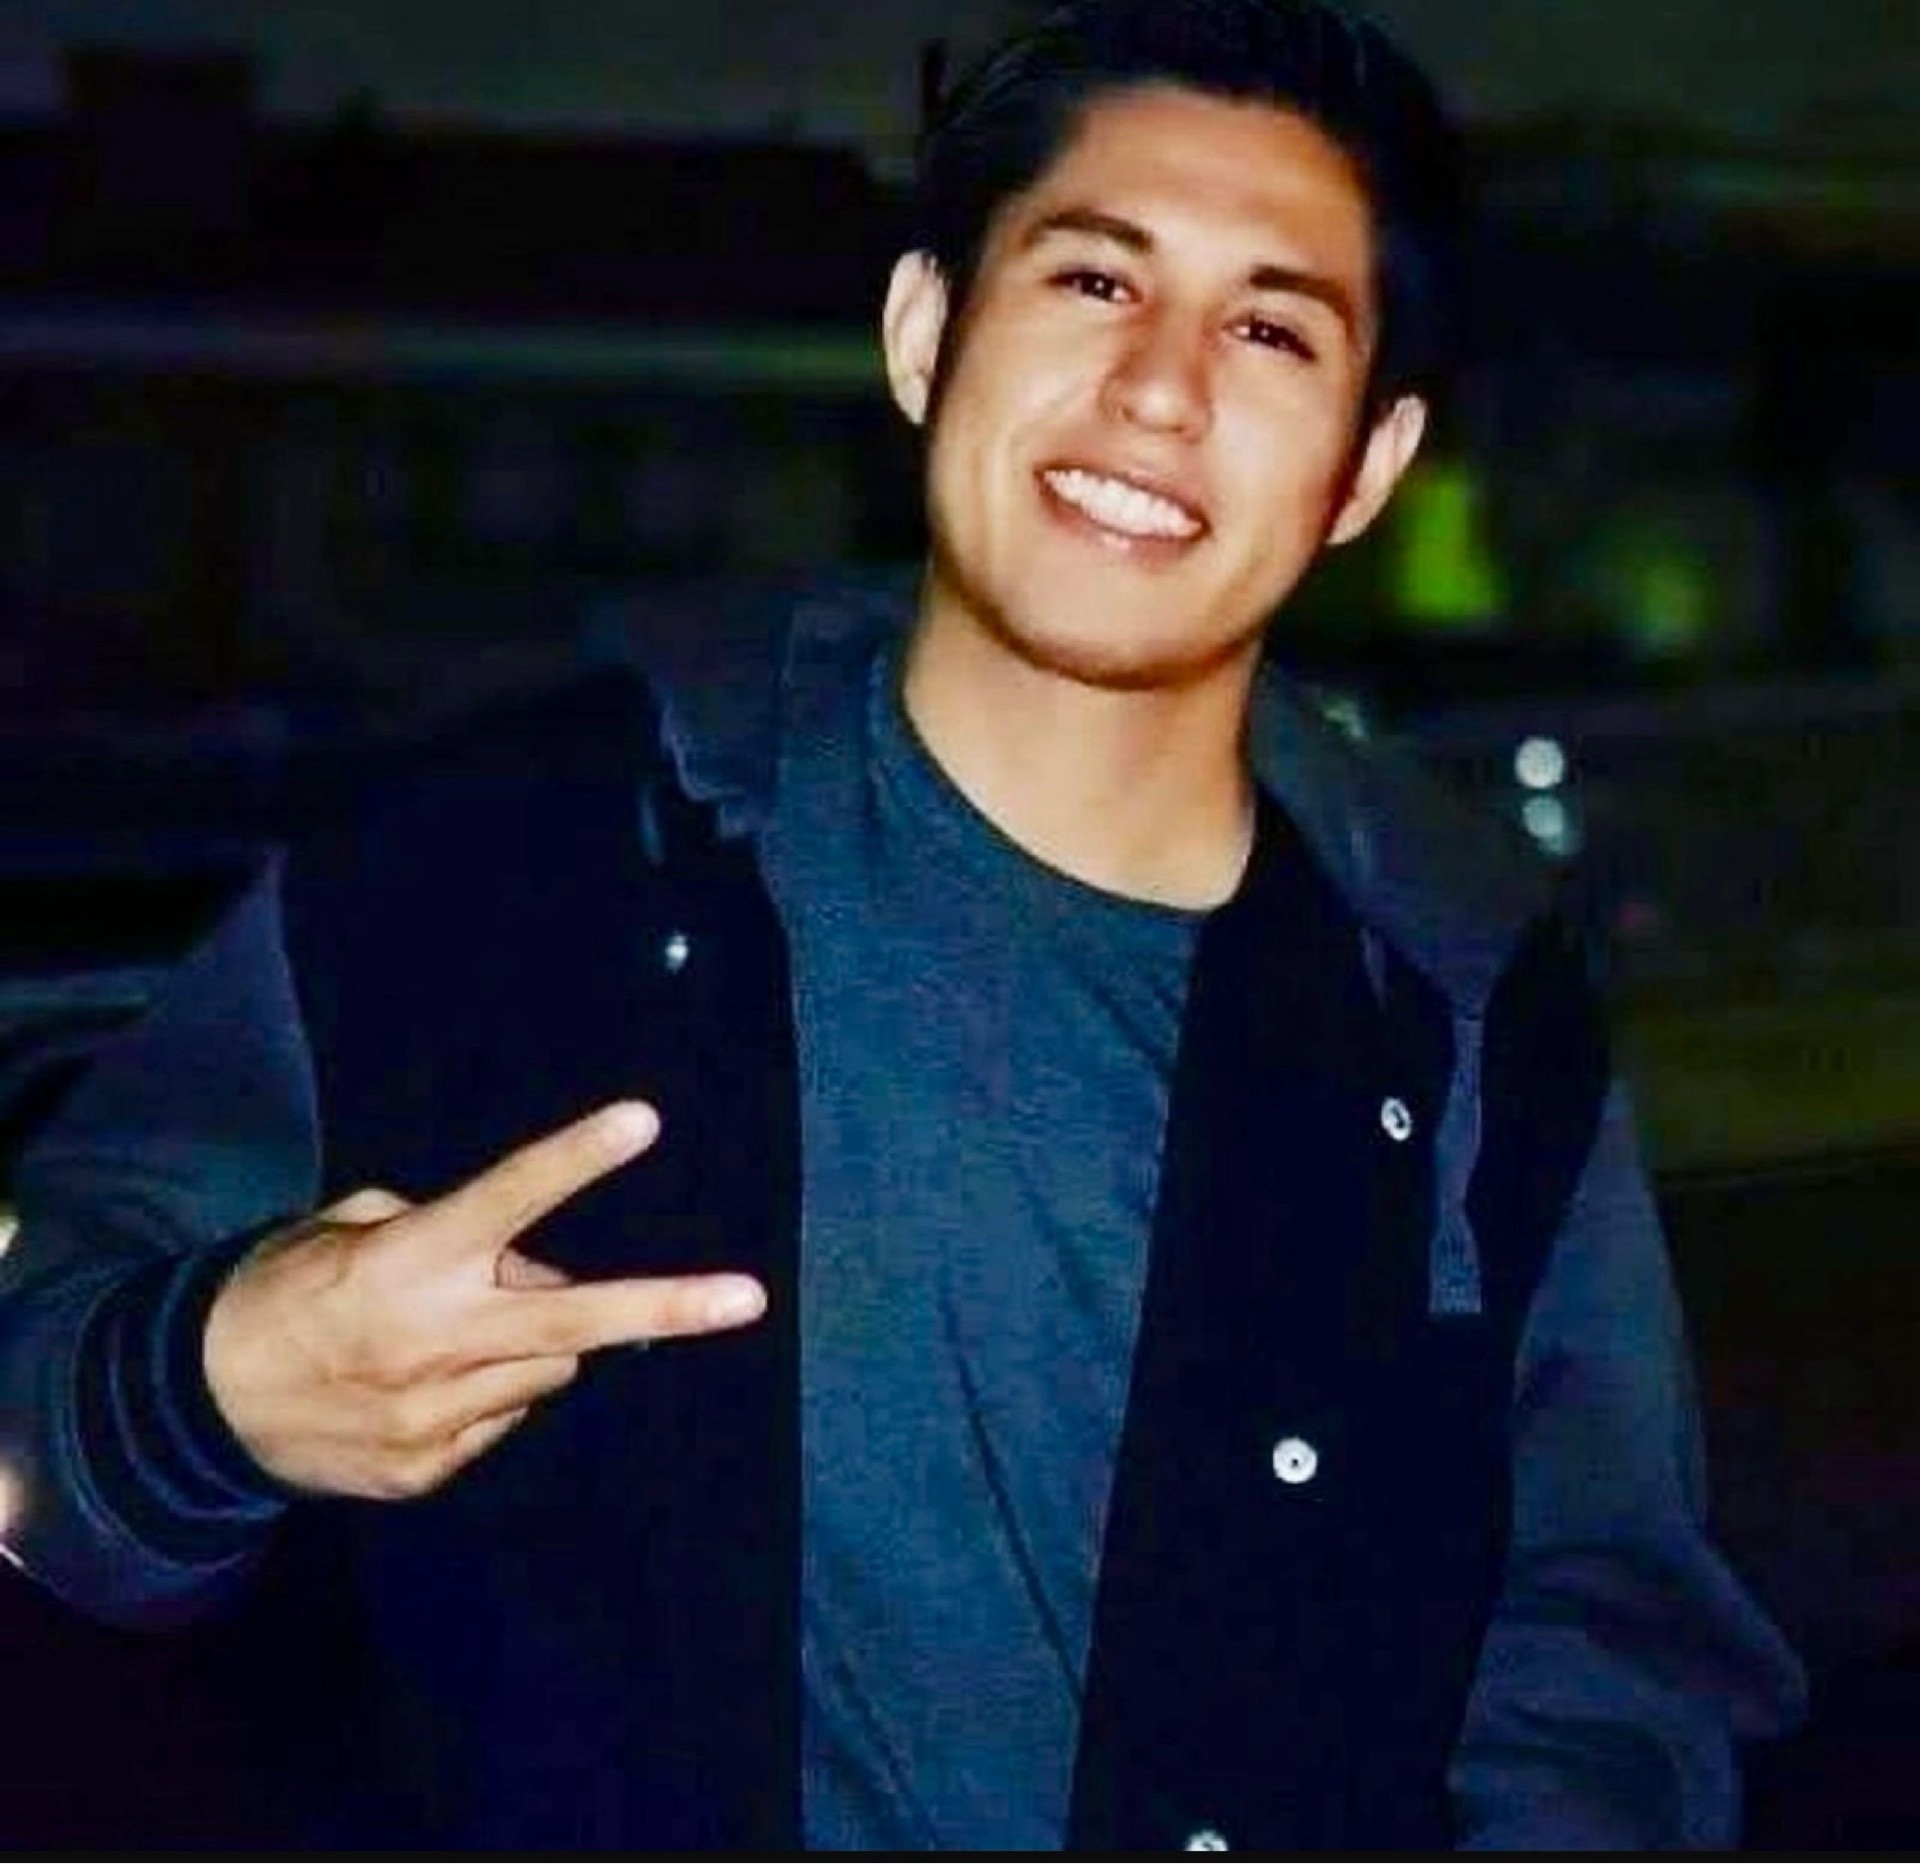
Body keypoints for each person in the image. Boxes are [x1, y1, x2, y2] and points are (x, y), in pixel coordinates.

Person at [0, 0, 1803, 1849]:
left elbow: (1609, 1640)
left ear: (1366, 465)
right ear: (926, 333)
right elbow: (34, 1395)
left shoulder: (1463, 983)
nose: (1161, 388)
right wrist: (204, 1389)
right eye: (1094, 281)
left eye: (1270, 328)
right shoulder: (503, 860)